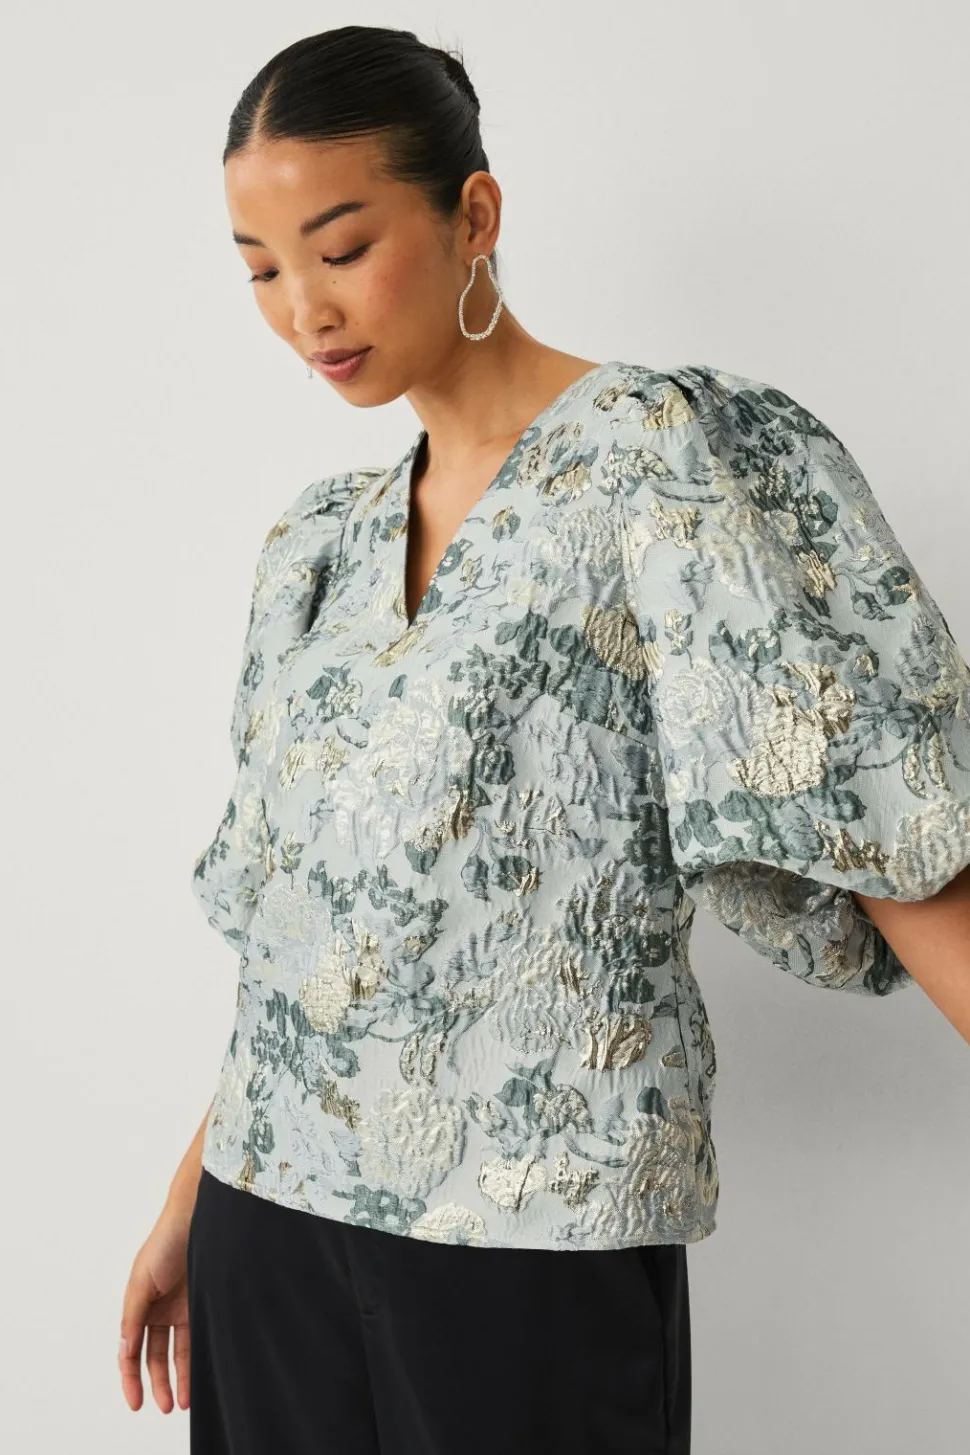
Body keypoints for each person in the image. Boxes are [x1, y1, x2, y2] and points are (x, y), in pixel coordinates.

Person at [117, 23, 970, 1455]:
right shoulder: (313, 549)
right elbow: (311, 939)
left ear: (474, 215)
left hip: (533, 1240)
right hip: (268, 1224)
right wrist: (189, 1195)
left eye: (340, 247)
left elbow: (879, 804)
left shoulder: (659, 457)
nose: (304, 311)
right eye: (260, 270)